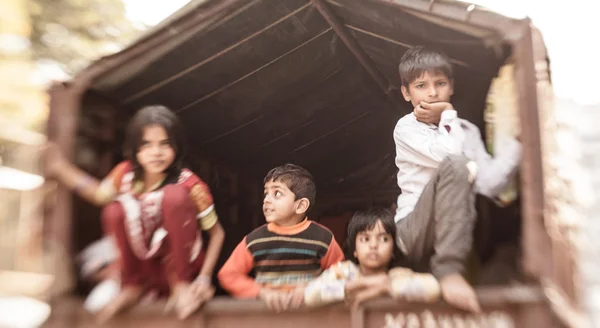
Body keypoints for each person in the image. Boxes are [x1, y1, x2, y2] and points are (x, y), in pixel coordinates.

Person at [45, 105, 225, 320]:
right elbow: (99, 195)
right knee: (114, 209)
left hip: (180, 265)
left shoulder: (191, 185)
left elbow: (217, 234)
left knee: (173, 197)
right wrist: (60, 169)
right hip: (144, 268)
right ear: (134, 148)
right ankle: (132, 285)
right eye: (146, 145)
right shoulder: (125, 174)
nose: (156, 153)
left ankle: (181, 284)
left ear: (177, 147)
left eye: (165, 144)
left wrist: (203, 279)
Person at [393, 47, 521, 312]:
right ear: (407, 93)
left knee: (469, 175)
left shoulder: (467, 130)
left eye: (440, 83)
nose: (432, 93)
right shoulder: (406, 128)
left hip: (455, 232)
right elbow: (450, 156)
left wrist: (517, 144)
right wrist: (447, 114)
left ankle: (453, 268)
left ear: (451, 86)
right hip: (415, 230)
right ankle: (449, 270)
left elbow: (486, 183)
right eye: (421, 85)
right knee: (457, 164)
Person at [218, 164, 344, 312]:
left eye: (276, 193)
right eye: (266, 193)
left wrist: (311, 289)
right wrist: (261, 292)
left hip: (309, 320)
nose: (266, 200)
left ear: (301, 205)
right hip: (267, 320)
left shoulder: (323, 238)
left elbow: (342, 276)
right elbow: (228, 275)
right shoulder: (254, 240)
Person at [304, 208, 440, 307]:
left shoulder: (398, 275)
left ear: (393, 249)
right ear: (355, 250)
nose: (374, 245)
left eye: (384, 239)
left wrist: (387, 286)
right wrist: (351, 287)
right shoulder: (344, 272)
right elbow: (310, 295)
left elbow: (434, 288)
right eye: (365, 239)